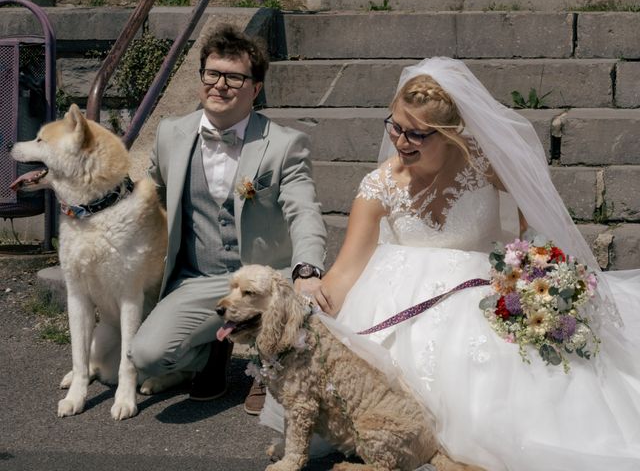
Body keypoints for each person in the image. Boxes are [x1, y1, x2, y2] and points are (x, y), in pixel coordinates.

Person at [304, 58, 640, 470]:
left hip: (476, 290)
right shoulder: (378, 186)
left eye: (416, 134)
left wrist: (533, 268)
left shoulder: (485, 163)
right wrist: (312, 308)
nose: (401, 141)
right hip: (394, 299)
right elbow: (346, 270)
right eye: (394, 126)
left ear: (448, 134)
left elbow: (531, 221)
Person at [129, 24, 326, 415]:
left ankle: (266, 367)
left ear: (255, 89)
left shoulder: (284, 144)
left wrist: (307, 269)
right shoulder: (171, 133)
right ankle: (211, 350)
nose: (220, 84)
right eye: (212, 73)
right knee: (147, 356)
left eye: (234, 76)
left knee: (291, 313)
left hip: (268, 278)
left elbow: (304, 210)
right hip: (200, 278)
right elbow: (145, 194)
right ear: (201, 78)